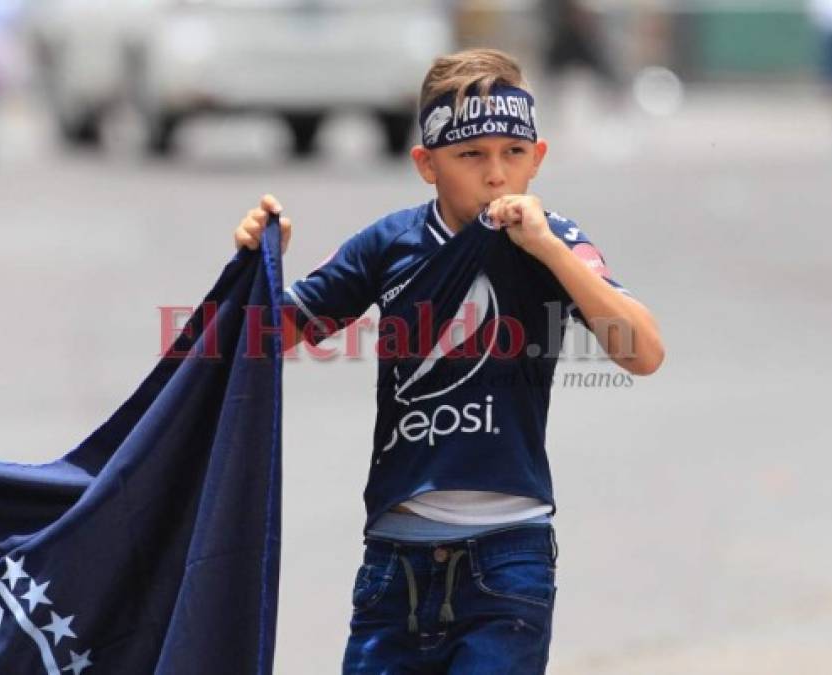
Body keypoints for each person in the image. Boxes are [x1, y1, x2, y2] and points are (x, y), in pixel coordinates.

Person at [234, 48, 664, 674]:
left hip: (509, 556)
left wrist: (550, 252)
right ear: (427, 165)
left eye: (513, 154)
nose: (496, 175)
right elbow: (257, 339)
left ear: (537, 159)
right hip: (395, 561)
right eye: (471, 156)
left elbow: (644, 351)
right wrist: (259, 263)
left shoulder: (556, 243)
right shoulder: (391, 245)